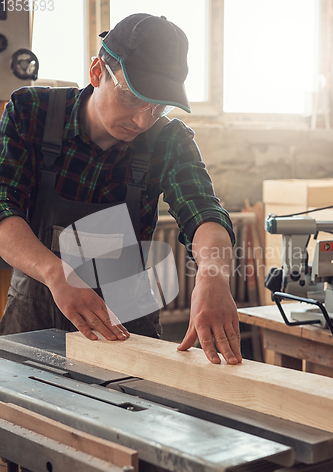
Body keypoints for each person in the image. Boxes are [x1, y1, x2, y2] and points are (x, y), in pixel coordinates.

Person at [0, 13, 242, 365]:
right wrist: (56, 274)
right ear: (97, 72)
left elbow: (202, 210)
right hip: (37, 306)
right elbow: (3, 207)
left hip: (127, 319)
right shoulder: (30, 113)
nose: (143, 121)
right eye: (132, 97)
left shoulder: (168, 140)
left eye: (158, 106)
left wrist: (214, 274)